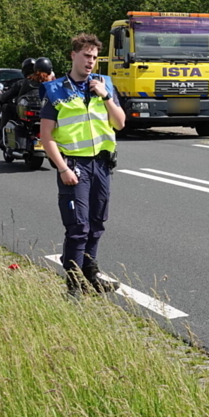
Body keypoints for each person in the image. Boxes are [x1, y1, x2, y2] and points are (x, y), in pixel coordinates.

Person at [39, 34, 126, 297]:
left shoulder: (104, 85)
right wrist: (63, 168)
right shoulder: (55, 90)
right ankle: (74, 283)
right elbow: (46, 137)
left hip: (101, 163)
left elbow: (120, 123)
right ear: (73, 55)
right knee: (78, 226)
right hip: (73, 165)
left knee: (97, 221)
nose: (91, 62)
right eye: (86, 56)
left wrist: (106, 96)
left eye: (95, 58)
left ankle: (92, 273)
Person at [0, 58, 35, 149]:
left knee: (6, 107)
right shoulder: (47, 82)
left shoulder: (21, 83)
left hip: (24, 112)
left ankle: (4, 136)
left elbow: (4, 97)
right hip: (43, 112)